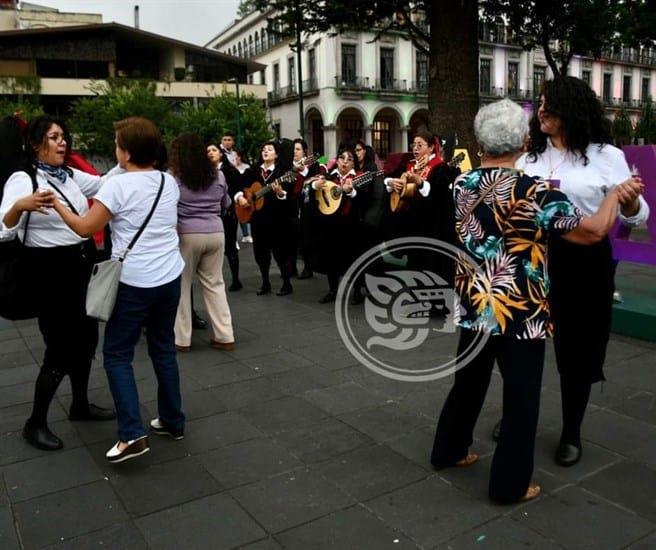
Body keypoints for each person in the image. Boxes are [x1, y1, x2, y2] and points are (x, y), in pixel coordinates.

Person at [430, 99, 642, 503]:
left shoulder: (461, 184)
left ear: (479, 141)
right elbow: (595, 230)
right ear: (525, 141)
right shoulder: (535, 191)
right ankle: (510, 485)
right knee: (522, 397)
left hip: (476, 302)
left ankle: (448, 450)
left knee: (467, 384)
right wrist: (615, 195)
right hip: (520, 311)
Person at [513, 76, 650, 467]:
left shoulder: (607, 155)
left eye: (548, 105)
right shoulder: (528, 159)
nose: (540, 111)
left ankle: (571, 430)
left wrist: (628, 202)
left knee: (576, 350)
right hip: (533, 260)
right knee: (522, 345)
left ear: (570, 109)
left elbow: (638, 215)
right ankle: (517, 416)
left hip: (585, 263)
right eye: (538, 103)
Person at [50, 116, 186, 463]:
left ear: (126, 153)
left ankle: (132, 434)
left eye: (117, 144)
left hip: (135, 282)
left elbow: (85, 228)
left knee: (117, 354)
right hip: (170, 278)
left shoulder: (118, 186)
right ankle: (172, 420)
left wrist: (56, 204)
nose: (115, 150)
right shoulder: (167, 181)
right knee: (163, 349)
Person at [0, 115, 117, 451]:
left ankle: (79, 405)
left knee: (87, 340)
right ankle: (34, 422)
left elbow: (105, 183)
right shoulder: (24, 178)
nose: (62, 142)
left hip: (80, 265)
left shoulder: (68, 175)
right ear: (36, 143)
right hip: (48, 274)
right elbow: (3, 229)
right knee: (60, 349)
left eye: (64, 136)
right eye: (53, 137)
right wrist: (20, 206)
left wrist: (130, 161)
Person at [170, 133, 235, 352]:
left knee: (182, 284)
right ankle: (225, 335)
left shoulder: (175, 177)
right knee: (215, 284)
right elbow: (225, 203)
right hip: (216, 232)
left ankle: (182, 339)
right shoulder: (218, 176)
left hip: (187, 234)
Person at [235, 141, 295, 296]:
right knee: (260, 252)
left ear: (276, 154)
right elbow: (240, 186)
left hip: (277, 219)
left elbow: (289, 196)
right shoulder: (253, 171)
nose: (265, 151)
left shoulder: (284, 173)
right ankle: (265, 282)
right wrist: (240, 197)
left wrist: (280, 192)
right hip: (257, 219)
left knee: (280, 252)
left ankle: (287, 283)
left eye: (270, 149)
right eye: (263, 149)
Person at [309, 146, 361, 303]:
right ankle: (333, 290)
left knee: (353, 257)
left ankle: (357, 291)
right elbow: (313, 191)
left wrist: (351, 192)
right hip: (330, 223)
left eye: (349, 159)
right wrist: (315, 186)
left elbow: (363, 199)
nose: (345, 162)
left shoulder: (359, 177)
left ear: (354, 163)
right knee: (330, 257)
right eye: (341, 158)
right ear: (336, 160)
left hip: (351, 223)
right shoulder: (329, 177)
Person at [207, 141, 243, 291]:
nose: (210, 153)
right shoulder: (204, 172)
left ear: (221, 154)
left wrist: (236, 199)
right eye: (208, 151)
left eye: (214, 150)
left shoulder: (229, 171)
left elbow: (236, 189)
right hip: (211, 215)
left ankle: (236, 279)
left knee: (230, 245)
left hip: (227, 213)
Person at [291, 138, 319, 280]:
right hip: (292, 206)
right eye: (294, 149)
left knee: (307, 237)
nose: (295, 152)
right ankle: (292, 267)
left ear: (304, 152)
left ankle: (309, 267)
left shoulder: (313, 165)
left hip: (307, 206)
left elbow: (314, 179)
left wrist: (302, 171)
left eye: (298, 149)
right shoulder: (288, 167)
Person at [234, 149, 253, 243]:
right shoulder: (230, 168)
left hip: (245, 192)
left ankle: (246, 235)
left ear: (239, 157)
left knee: (243, 213)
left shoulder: (247, 167)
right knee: (235, 215)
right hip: (234, 193)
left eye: (235, 156)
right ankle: (234, 239)